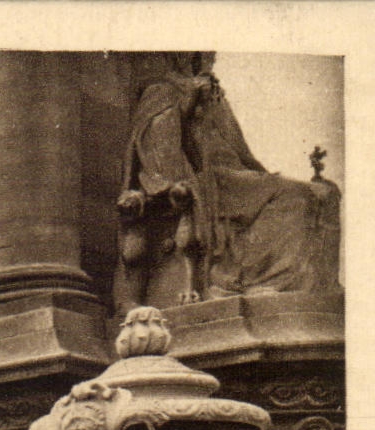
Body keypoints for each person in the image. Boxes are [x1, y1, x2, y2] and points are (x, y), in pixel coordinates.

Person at [118, 52, 340, 308]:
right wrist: (189, 98)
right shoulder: (161, 92)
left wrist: (262, 177)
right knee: (297, 197)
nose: (204, 60)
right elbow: (160, 153)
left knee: (322, 194)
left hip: (236, 177)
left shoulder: (215, 96)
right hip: (209, 181)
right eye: (196, 55)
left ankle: (293, 284)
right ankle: (257, 281)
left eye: (206, 56)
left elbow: (241, 153)